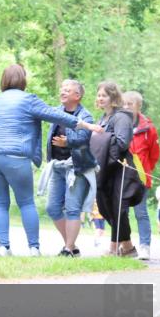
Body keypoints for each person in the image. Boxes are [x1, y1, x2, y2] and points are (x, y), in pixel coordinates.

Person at [0, 65, 101, 256]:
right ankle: (34, 248)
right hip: (15, 156)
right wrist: (86, 125)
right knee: (26, 202)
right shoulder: (28, 100)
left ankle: (3, 247)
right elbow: (58, 115)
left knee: (1, 203)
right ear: (23, 80)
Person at [91, 81, 144, 256]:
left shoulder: (121, 117)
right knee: (106, 207)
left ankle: (116, 248)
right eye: (99, 95)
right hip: (105, 168)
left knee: (118, 208)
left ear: (113, 97)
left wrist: (100, 137)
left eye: (104, 95)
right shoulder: (103, 118)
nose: (100, 98)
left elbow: (122, 143)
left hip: (120, 168)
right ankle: (127, 246)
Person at [44, 79, 96, 257]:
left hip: (76, 168)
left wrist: (68, 141)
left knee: (73, 209)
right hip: (57, 167)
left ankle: (68, 249)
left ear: (77, 96)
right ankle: (72, 246)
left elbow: (84, 137)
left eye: (68, 90)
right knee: (52, 208)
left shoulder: (86, 116)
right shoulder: (57, 111)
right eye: (62, 89)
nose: (63, 91)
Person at [124, 91, 160, 260]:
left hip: (141, 176)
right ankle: (123, 246)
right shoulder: (118, 123)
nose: (126, 107)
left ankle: (145, 247)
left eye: (129, 104)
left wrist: (144, 169)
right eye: (123, 104)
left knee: (141, 212)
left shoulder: (148, 129)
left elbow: (154, 155)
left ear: (138, 106)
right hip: (121, 176)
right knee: (120, 212)